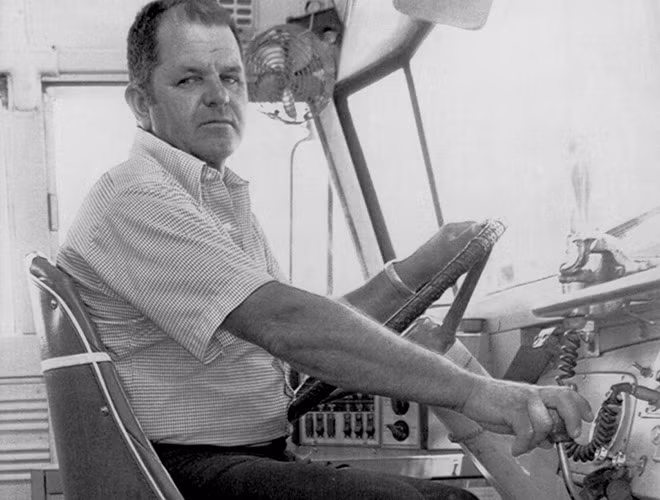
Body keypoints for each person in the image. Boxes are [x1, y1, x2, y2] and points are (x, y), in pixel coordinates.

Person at [57, 1, 593, 498]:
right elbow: (286, 324)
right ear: (141, 103)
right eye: (189, 78)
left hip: (238, 456)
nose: (219, 95)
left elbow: (294, 333)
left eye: (230, 77)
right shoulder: (136, 197)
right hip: (177, 471)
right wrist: (474, 392)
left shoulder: (212, 201)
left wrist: (408, 276)